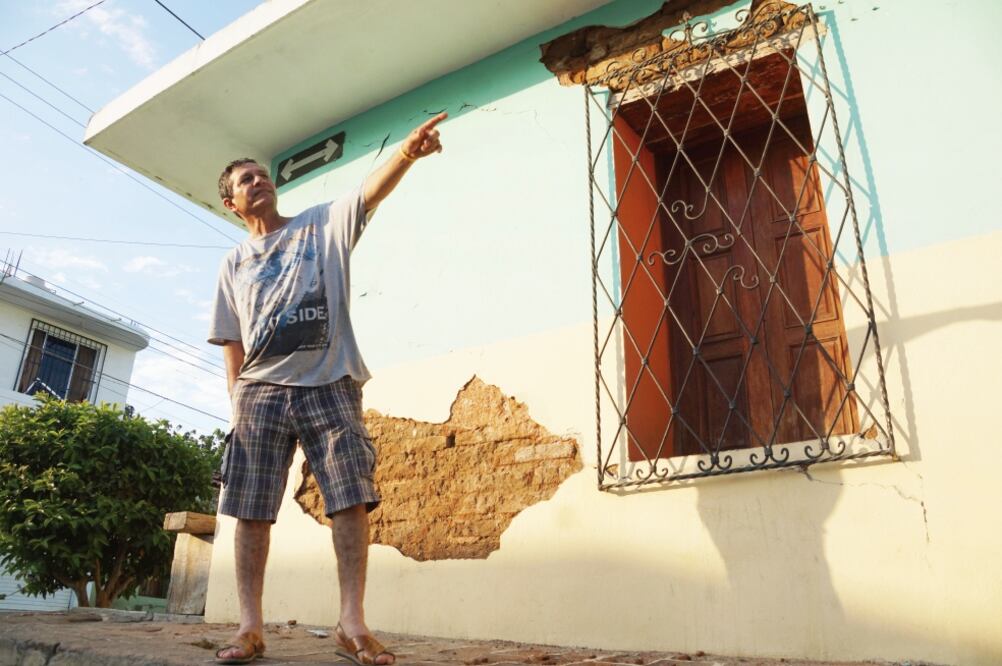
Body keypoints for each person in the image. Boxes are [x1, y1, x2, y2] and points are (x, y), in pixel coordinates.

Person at [207, 113, 446, 665]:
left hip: (329, 381)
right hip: (259, 393)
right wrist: (236, 401)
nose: (259, 181)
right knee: (251, 508)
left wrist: (407, 153)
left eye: (262, 174)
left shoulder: (319, 225)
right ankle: (249, 628)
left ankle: (351, 623)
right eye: (246, 180)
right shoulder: (233, 263)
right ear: (231, 204)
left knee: (349, 499)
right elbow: (231, 343)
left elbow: (368, 195)